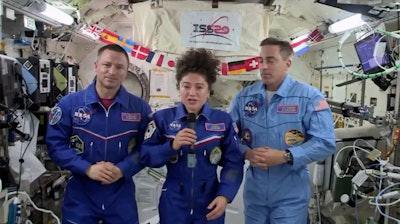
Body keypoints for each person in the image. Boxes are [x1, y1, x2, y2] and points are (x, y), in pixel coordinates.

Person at [228, 37, 336, 224]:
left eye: (271, 60)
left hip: (290, 194)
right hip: (255, 193)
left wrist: (286, 156)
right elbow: (229, 136)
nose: (263, 66)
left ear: (287, 63)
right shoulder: (244, 97)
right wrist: (246, 153)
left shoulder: (309, 97)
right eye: (261, 60)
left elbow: (325, 142)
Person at [46, 44, 152, 224]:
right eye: (106, 65)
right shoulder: (70, 104)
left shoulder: (140, 108)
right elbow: (56, 145)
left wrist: (122, 169)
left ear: (126, 72)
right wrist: (87, 168)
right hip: (81, 197)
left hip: (121, 196)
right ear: (96, 66)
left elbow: (147, 148)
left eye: (119, 67)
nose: (112, 71)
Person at [141, 48, 244, 224]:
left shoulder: (223, 121)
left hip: (210, 201)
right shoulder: (162, 119)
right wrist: (171, 147)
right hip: (174, 201)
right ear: (178, 88)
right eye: (186, 86)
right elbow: (146, 156)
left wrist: (225, 195)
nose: (192, 93)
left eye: (199, 87)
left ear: (209, 90)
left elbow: (233, 163)